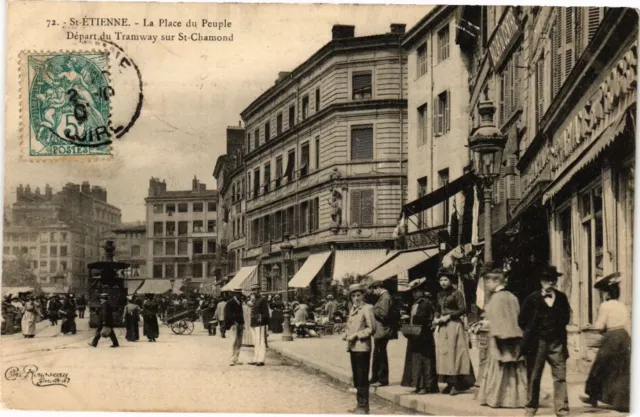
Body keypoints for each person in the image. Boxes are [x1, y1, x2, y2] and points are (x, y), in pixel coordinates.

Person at [518, 265, 570, 417]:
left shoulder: (561, 298)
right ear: (541, 281)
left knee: (560, 377)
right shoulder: (532, 299)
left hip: (557, 342)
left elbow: (566, 317)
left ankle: (562, 410)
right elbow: (521, 320)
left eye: (553, 280)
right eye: (547, 280)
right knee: (534, 376)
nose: (551, 283)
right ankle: (531, 407)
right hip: (537, 343)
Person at [476, 269, 527, 408]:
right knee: (515, 371)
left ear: (496, 281)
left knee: (500, 370)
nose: (486, 285)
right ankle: (519, 398)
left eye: (488, 281)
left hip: (501, 338)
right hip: (515, 337)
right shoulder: (512, 297)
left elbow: (497, 320)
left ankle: (498, 398)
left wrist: (489, 327)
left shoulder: (497, 298)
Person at [580, 272, 630, 412]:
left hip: (612, 337)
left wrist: (589, 327)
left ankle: (592, 395)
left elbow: (600, 326)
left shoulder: (605, 306)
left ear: (607, 294)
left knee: (600, 366)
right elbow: (627, 324)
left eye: (603, 292)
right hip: (625, 338)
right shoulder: (623, 306)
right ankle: (623, 401)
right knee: (621, 370)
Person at [434, 269, 475, 395]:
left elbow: (463, 309)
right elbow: (437, 308)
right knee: (444, 355)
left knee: (454, 354)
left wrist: (449, 316)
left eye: (445, 280)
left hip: (454, 325)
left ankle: (457, 384)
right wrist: (436, 317)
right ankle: (448, 383)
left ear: (450, 280)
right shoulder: (440, 294)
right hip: (442, 326)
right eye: (441, 280)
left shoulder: (457, 293)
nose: (443, 282)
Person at [400, 278, 438, 394]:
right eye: (413, 291)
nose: (415, 293)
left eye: (417, 291)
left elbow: (422, 319)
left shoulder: (425, 303)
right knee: (416, 359)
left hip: (424, 335)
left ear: (422, 291)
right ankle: (418, 384)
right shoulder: (415, 304)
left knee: (425, 360)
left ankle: (427, 386)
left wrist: (409, 319)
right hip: (417, 334)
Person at [344, 283, 376, 414]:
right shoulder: (353, 309)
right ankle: (359, 405)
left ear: (363, 296)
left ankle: (364, 406)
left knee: (362, 377)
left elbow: (371, 328)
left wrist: (356, 335)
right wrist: (346, 334)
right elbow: (351, 326)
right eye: (354, 296)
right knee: (357, 378)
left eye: (359, 295)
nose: (356, 298)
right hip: (353, 348)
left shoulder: (367, 308)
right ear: (351, 298)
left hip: (362, 348)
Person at [370, 280, 392, 387]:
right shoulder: (383, 297)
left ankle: (383, 379)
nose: (373, 292)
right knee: (377, 354)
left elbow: (383, 314)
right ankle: (375, 377)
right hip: (379, 330)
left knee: (381, 354)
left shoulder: (385, 297)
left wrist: (372, 310)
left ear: (378, 287)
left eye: (374, 289)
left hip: (383, 330)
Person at [249, 284, 270, 366]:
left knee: (261, 341)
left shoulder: (262, 300)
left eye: (256, 289)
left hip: (260, 323)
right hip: (254, 323)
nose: (254, 291)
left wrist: (263, 321)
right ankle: (255, 359)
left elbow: (266, 313)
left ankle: (261, 360)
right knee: (255, 341)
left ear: (259, 290)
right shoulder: (253, 300)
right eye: (253, 290)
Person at [224, 288, 245, 366]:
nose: (239, 295)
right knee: (233, 341)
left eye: (239, 293)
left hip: (240, 324)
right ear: (234, 294)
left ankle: (236, 359)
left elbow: (241, 314)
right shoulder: (230, 302)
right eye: (237, 293)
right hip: (234, 324)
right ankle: (231, 359)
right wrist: (232, 322)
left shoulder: (240, 302)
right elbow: (227, 314)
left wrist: (243, 323)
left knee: (239, 342)